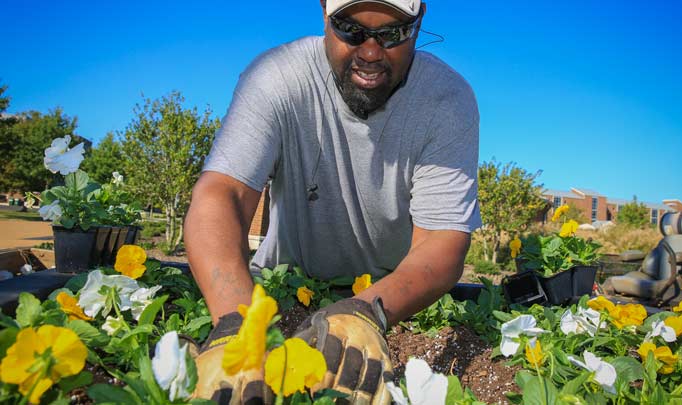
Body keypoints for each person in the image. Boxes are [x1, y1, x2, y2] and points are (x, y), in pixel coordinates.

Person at [184, 0, 480, 403]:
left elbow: (441, 242)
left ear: (420, 19)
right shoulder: (277, 76)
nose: (371, 53)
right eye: (350, 29)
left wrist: (367, 311)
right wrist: (237, 323)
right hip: (285, 286)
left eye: (393, 34)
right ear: (324, 13)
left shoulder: (447, 100)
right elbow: (223, 196)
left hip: (393, 301)